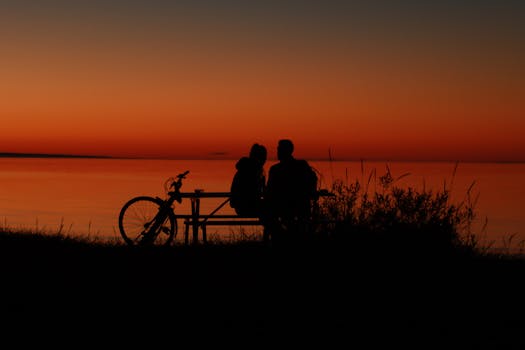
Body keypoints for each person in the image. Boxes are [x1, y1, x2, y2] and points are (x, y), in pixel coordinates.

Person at [265, 139, 318, 242]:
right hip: (300, 207)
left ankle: (282, 238)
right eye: (278, 149)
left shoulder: (275, 169)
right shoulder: (302, 165)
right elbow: (313, 180)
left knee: (267, 216)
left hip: (283, 208)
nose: (278, 152)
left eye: (279, 150)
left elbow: (269, 191)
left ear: (287, 151)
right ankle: (290, 237)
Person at [229, 143, 267, 217]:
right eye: (263, 157)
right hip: (244, 207)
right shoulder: (248, 171)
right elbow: (256, 192)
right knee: (272, 209)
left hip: (246, 206)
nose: (265, 160)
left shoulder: (258, 171)